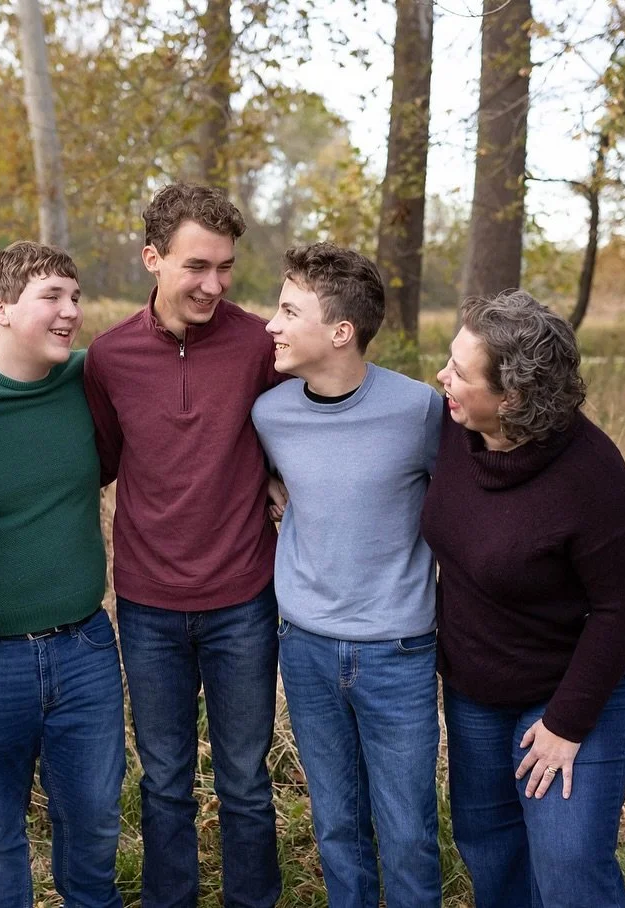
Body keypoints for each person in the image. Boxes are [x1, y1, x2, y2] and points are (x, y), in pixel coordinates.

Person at [82, 183, 282, 908]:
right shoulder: (107, 358)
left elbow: (299, 424)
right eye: (197, 266)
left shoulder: (262, 343)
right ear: (152, 259)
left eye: (226, 267)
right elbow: (103, 462)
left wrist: (285, 481)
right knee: (164, 780)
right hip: (148, 604)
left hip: (243, 602)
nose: (214, 284)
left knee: (245, 781)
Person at [420, 290, 625, 908]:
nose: (442, 377)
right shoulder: (451, 423)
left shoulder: (591, 474)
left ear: (513, 397)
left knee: (569, 866)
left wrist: (565, 724)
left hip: (573, 690)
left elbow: (623, 606)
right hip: (476, 688)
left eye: (460, 372)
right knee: (489, 848)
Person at [251, 243, 443, 908]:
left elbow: (465, 508)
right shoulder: (270, 415)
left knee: (410, 832)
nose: (270, 324)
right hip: (305, 647)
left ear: (340, 332)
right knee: (335, 825)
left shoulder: (420, 410)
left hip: (399, 652)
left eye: (287, 310)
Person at [0, 241, 124, 908]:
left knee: (97, 820)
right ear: (0, 309)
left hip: (85, 648)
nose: (71, 311)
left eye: (75, 297)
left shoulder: (89, 381)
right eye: (52, 296)